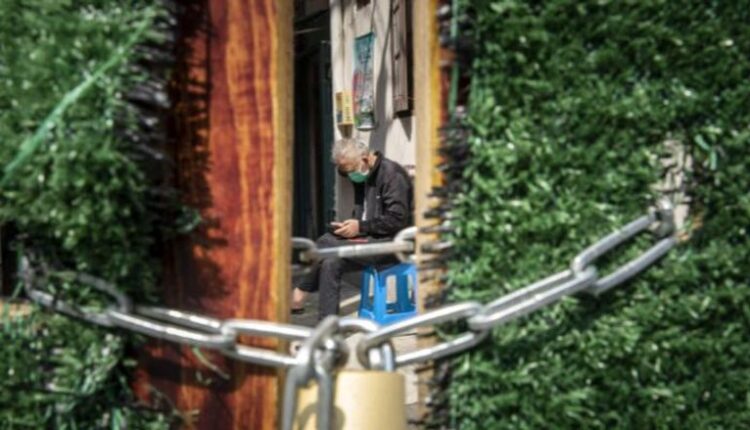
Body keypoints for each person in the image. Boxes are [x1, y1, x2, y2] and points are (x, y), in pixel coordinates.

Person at [293, 138, 413, 320]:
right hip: (368, 238)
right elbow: (346, 172)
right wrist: (351, 226)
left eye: (350, 170)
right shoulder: (363, 173)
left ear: (365, 158)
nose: (348, 175)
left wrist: (360, 226)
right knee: (330, 262)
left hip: (391, 245)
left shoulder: (391, 175)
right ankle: (328, 325)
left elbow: (396, 220)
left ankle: (299, 295)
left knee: (325, 242)